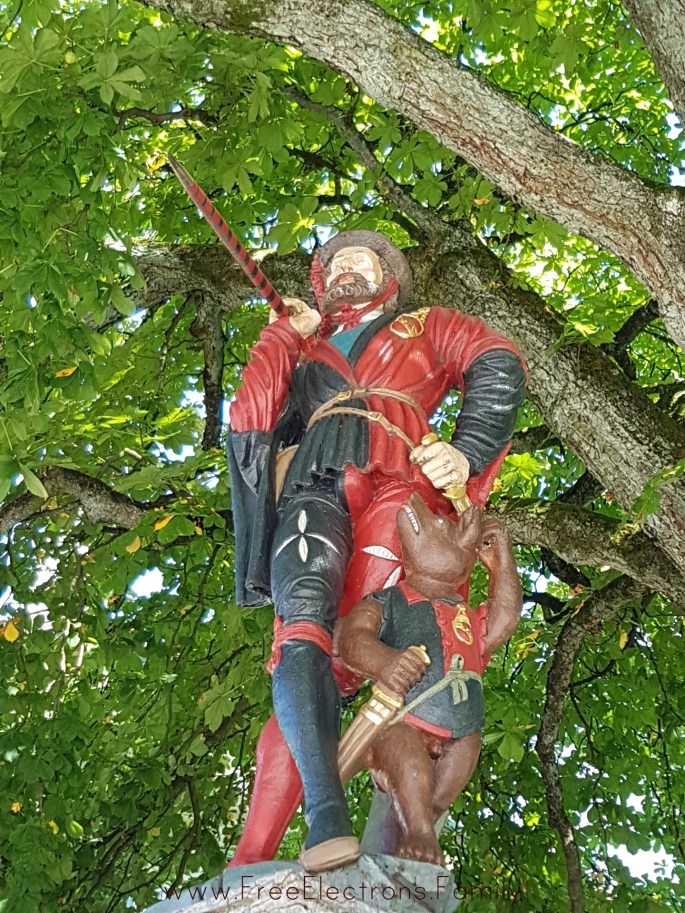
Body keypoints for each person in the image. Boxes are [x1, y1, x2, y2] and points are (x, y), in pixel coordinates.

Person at [227, 230, 526, 871]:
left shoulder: (426, 326)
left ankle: (405, 837)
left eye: (362, 260)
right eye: (334, 264)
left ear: (390, 274)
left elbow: (497, 359)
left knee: (402, 634)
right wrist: (283, 336)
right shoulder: (302, 348)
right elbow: (249, 415)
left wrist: (467, 451)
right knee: (301, 640)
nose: (345, 269)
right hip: (312, 483)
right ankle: (260, 850)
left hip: (400, 486)